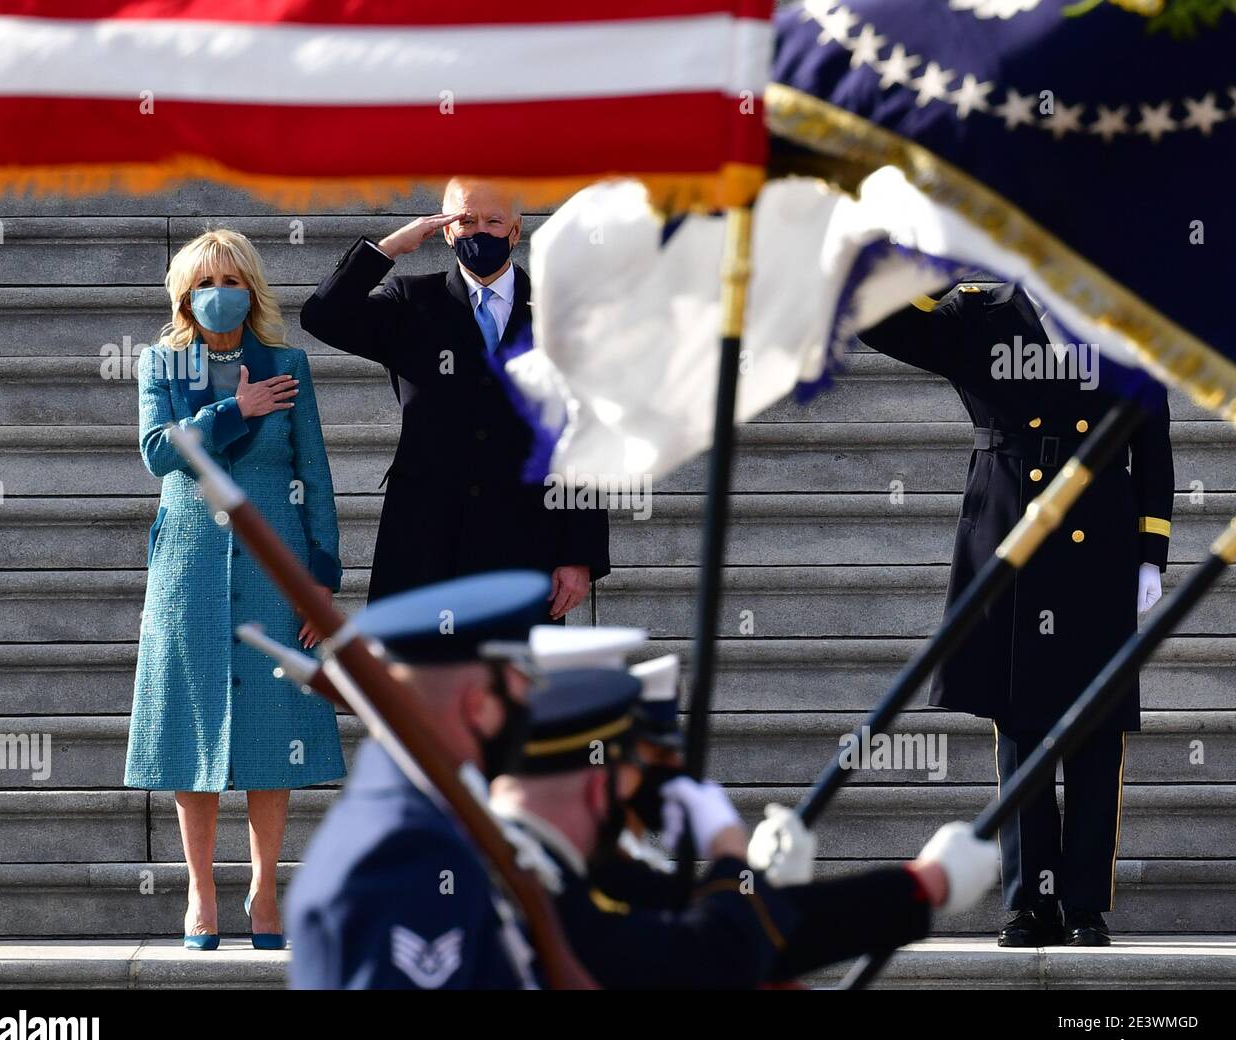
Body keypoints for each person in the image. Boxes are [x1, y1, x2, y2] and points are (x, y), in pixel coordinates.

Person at [859, 280, 1175, 948]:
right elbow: (877, 322)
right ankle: (1030, 901)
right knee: (1023, 719)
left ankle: (1085, 903)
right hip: (1012, 525)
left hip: (1098, 525)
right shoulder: (978, 309)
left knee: (1095, 723)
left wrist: (1151, 551)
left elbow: (1152, 431)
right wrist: (938, 262)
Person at [489, 671, 999, 989]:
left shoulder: (552, 864)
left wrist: (919, 885)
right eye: (644, 775)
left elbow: (751, 935)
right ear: (600, 789)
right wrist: (732, 858)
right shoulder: (529, 880)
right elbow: (711, 957)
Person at [126, 228, 344, 951]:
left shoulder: (287, 365)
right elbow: (161, 452)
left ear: (253, 289)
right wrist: (233, 411)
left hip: (274, 564)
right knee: (192, 725)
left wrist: (323, 576)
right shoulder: (164, 362)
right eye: (205, 283)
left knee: (269, 730)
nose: (219, 295)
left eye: (233, 281)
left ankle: (264, 887)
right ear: (184, 294)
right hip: (188, 567)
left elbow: (315, 474)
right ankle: (198, 890)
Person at [299, 177, 610, 613]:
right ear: (446, 230)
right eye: (465, 220)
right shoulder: (411, 301)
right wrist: (388, 249)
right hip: (423, 542)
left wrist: (579, 554)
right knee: (413, 680)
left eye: (493, 221)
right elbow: (323, 317)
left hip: (521, 544)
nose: (479, 231)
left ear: (515, 231)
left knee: (507, 681)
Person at [285, 571, 552, 990]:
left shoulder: (420, 810)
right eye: (520, 695)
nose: (528, 713)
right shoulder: (411, 850)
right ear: (477, 703)